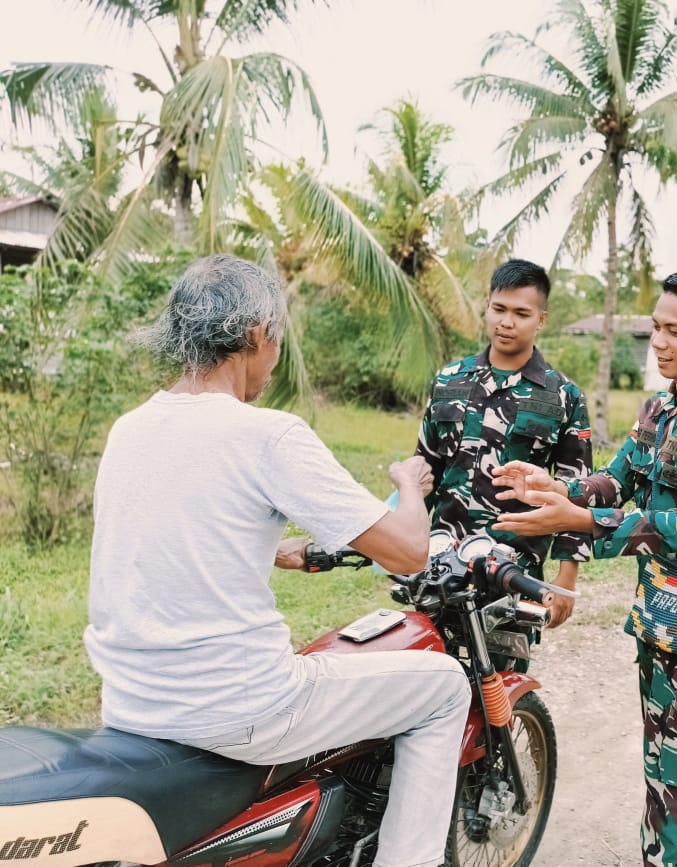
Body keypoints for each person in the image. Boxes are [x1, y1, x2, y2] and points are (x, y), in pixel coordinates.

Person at [84, 254, 470, 867]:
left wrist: (275, 551)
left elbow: (179, 543)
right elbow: (407, 550)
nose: (276, 355)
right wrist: (412, 485)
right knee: (447, 686)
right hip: (239, 709)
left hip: (131, 704)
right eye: (277, 340)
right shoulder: (267, 435)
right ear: (257, 335)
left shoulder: (128, 429)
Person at [492, 267, 677, 867]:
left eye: (675, 331)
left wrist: (576, 522)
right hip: (660, 610)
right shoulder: (660, 408)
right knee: (663, 768)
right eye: (656, 329)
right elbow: (617, 480)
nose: (660, 343)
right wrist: (559, 487)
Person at [414, 258, 592, 631]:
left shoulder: (562, 396)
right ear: (487, 305)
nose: (506, 322)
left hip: (515, 570)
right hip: (442, 559)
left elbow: (577, 491)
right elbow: (424, 469)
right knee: (430, 673)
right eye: (499, 309)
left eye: (521, 313)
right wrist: (405, 546)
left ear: (540, 319)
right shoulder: (450, 380)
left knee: (503, 683)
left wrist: (566, 578)